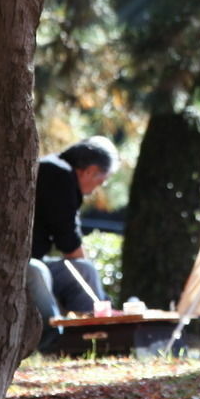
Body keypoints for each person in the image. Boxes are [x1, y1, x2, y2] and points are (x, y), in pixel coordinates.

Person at [26, 137, 119, 335]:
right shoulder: (58, 174)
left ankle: (93, 330)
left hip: (34, 259)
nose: (97, 189)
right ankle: (67, 337)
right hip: (24, 263)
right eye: (100, 181)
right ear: (90, 170)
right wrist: (99, 299)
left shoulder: (55, 169)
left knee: (83, 269)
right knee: (71, 270)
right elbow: (68, 240)